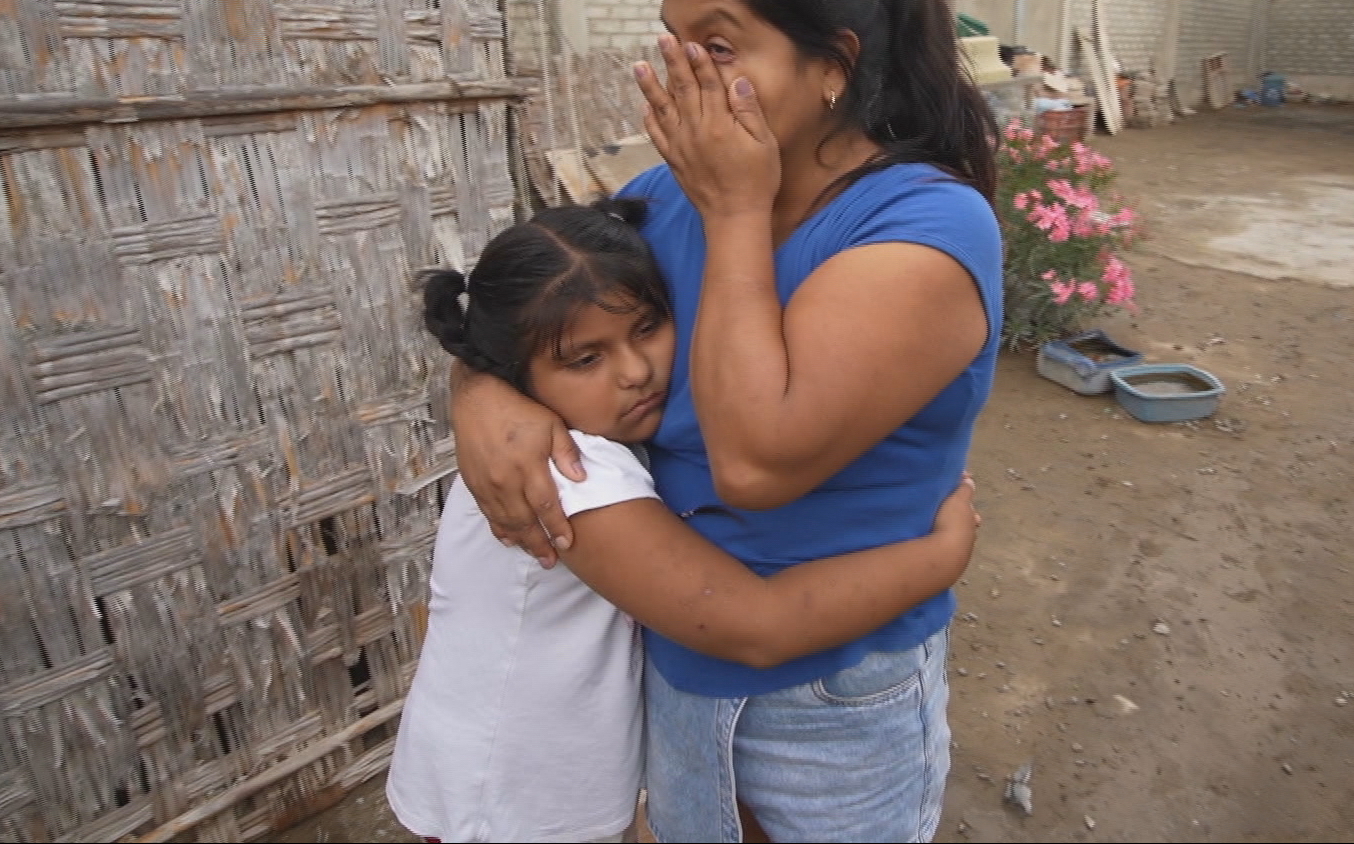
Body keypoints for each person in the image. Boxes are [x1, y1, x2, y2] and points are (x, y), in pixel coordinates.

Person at [450, 0, 1004, 842]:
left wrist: (738, 214)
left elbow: (756, 463)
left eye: (719, 45)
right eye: (672, 42)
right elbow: (524, 312)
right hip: (674, 662)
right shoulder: (662, 197)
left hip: (836, 698)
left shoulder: (923, 227)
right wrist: (480, 397)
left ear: (833, 64)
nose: (684, 77)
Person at [388, 198, 980, 844]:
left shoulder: (577, 441)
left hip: (524, 785)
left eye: (647, 328)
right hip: (506, 805)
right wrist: (940, 557)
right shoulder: (569, 478)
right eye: (586, 359)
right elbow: (759, 624)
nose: (635, 371)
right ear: (514, 377)